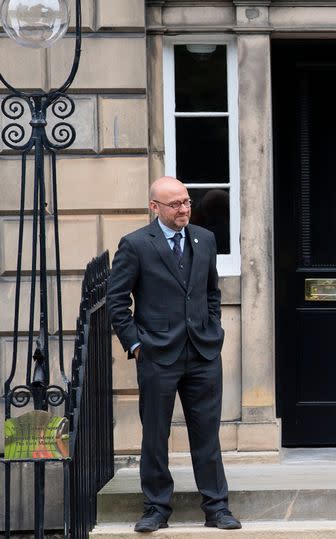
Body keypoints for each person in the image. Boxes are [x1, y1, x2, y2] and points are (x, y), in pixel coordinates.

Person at [108, 176, 241, 532]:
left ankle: (216, 508)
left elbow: (212, 291)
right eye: (175, 204)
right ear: (155, 207)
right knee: (155, 434)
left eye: (186, 202)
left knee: (207, 434)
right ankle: (156, 508)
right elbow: (117, 301)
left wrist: (214, 328)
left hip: (202, 351)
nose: (184, 209)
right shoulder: (135, 245)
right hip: (156, 355)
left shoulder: (205, 238)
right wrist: (136, 345)